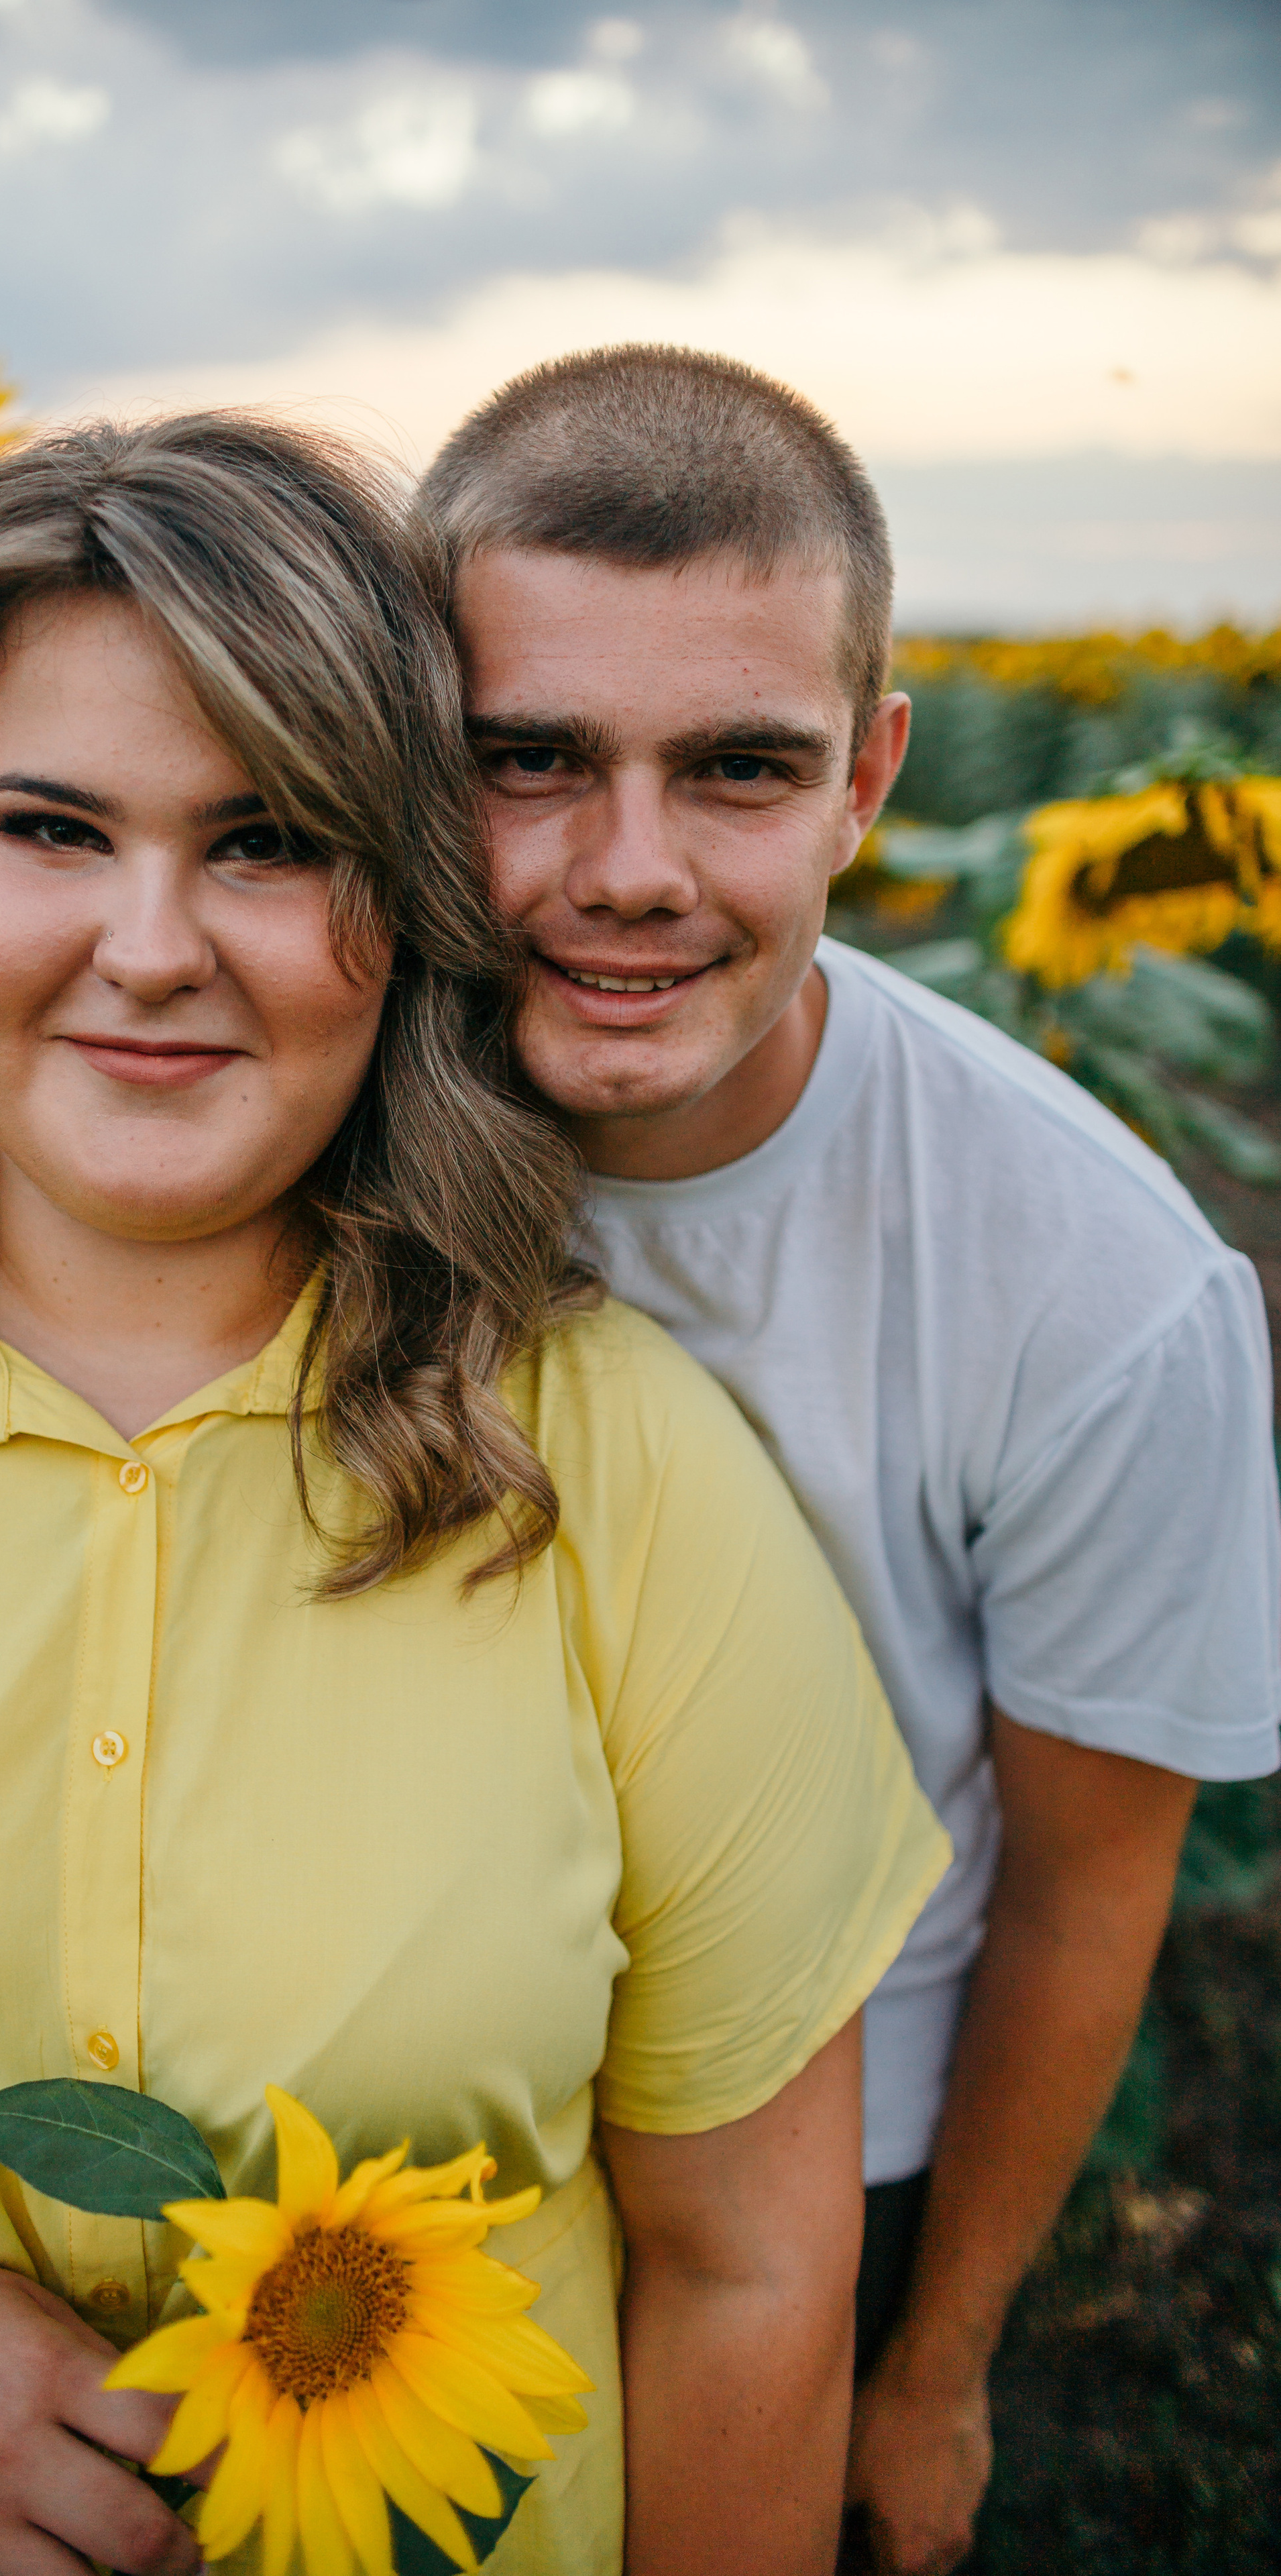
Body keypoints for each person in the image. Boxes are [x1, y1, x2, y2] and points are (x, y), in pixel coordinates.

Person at [0, 414, 947, 2576]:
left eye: (270, 842)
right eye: (48, 825)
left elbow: (750, 2275)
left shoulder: (619, 1466)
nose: (149, 944)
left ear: (402, 905)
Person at [416, 345, 1281, 2576]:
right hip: (367, 2101)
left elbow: (1097, 1892)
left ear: (869, 776)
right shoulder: (281, 1113)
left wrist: (939, 2367)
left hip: (832, 2158)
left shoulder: (1094, 1287)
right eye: (530, 761)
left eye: (738, 770)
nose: (628, 872)